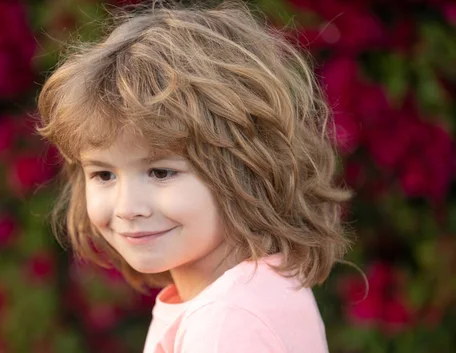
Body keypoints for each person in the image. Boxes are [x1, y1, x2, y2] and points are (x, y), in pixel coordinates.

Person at [37, 1, 353, 352]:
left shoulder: (226, 322)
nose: (127, 208)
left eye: (160, 172)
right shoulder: (250, 291)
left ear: (246, 167)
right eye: (104, 174)